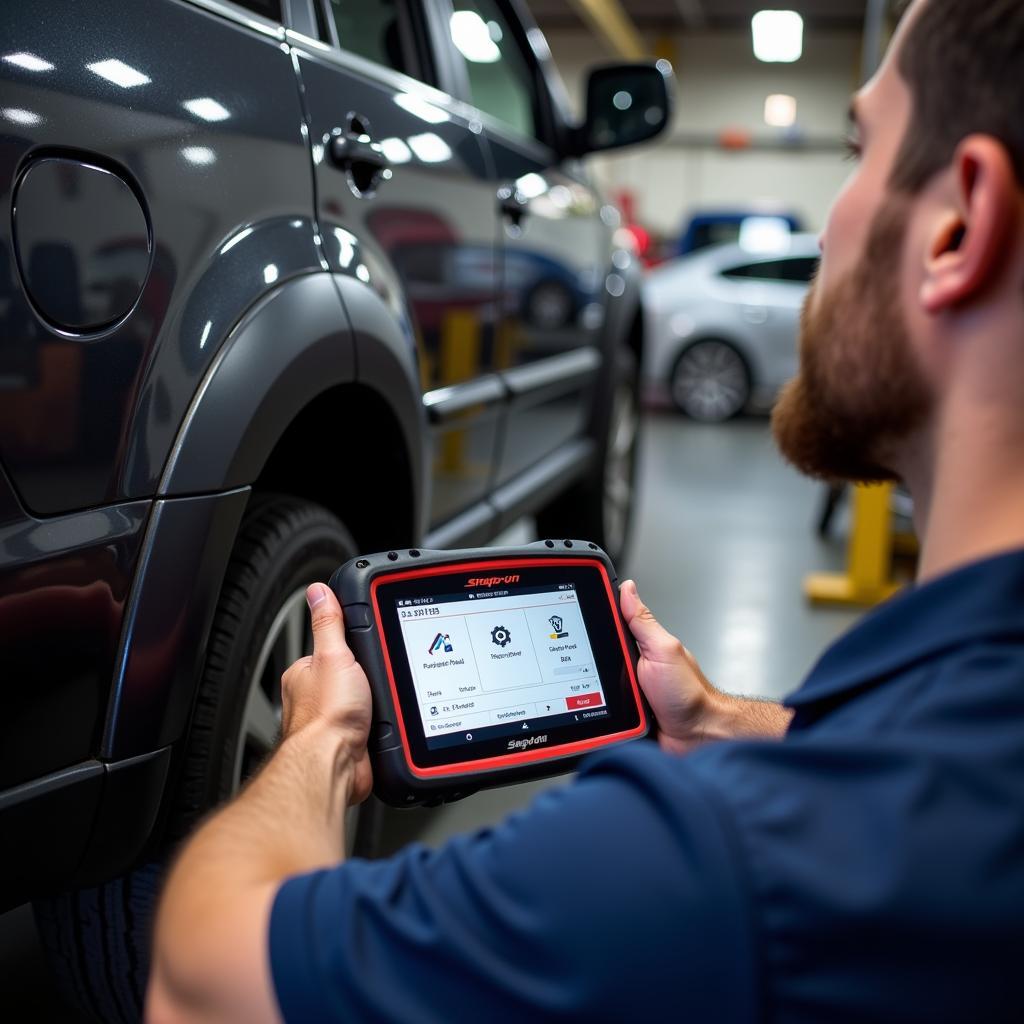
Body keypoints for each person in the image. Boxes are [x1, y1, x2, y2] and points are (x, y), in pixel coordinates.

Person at [147, 0, 1024, 1019]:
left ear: (957, 225)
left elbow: (196, 982)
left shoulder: (716, 862)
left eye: (857, 148)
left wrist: (318, 744)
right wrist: (724, 720)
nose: (829, 217)